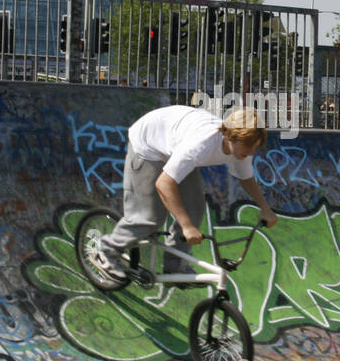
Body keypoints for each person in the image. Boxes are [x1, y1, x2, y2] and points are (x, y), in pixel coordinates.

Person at [89, 105, 278, 281]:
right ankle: (106, 250)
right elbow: (164, 184)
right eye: (248, 146)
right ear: (230, 136)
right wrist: (186, 226)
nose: (251, 152)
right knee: (150, 218)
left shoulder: (242, 149)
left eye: (254, 147)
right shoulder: (201, 144)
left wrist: (265, 208)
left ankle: (174, 267)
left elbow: (246, 178)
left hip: (174, 145)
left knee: (194, 208)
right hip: (148, 145)